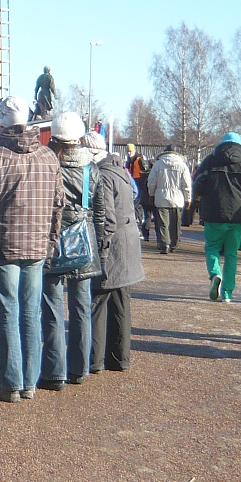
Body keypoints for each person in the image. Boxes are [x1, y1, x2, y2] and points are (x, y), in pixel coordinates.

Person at [0, 96, 63, 401]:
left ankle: (11, 382)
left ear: (1, 122)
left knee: (7, 313)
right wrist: (51, 243)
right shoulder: (48, 156)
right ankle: (28, 382)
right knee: (30, 313)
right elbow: (58, 205)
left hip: (4, 245)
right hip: (37, 245)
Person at [41, 111, 106, 385]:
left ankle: (54, 371)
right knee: (81, 307)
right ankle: (79, 369)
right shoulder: (92, 168)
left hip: (53, 239)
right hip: (83, 239)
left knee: (52, 308)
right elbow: (100, 212)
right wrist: (99, 244)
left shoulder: (47, 164)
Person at [89, 134, 144, 374]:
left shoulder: (102, 175)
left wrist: (100, 252)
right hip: (127, 243)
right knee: (121, 303)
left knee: (98, 302)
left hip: (113, 246)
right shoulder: (120, 171)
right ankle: (119, 358)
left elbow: (107, 220)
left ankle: (95, 360)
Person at [194, 132, 241, 303]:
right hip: (236, 215)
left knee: (212, 247)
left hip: (212, 213)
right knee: (231, 254)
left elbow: (198, 185)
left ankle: (215, 274)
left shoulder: (209, 161)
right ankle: (227, 293)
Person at [147, 144, 192, 254]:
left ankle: (164, 244)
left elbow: (151, 182)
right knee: (176, 223)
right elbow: (187, 184)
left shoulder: (157, 164)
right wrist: (188, 199)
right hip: (178, 198)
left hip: (161, 196)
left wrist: (151, 195)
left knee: (162, 223)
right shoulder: (182, 165)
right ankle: (174, 244)